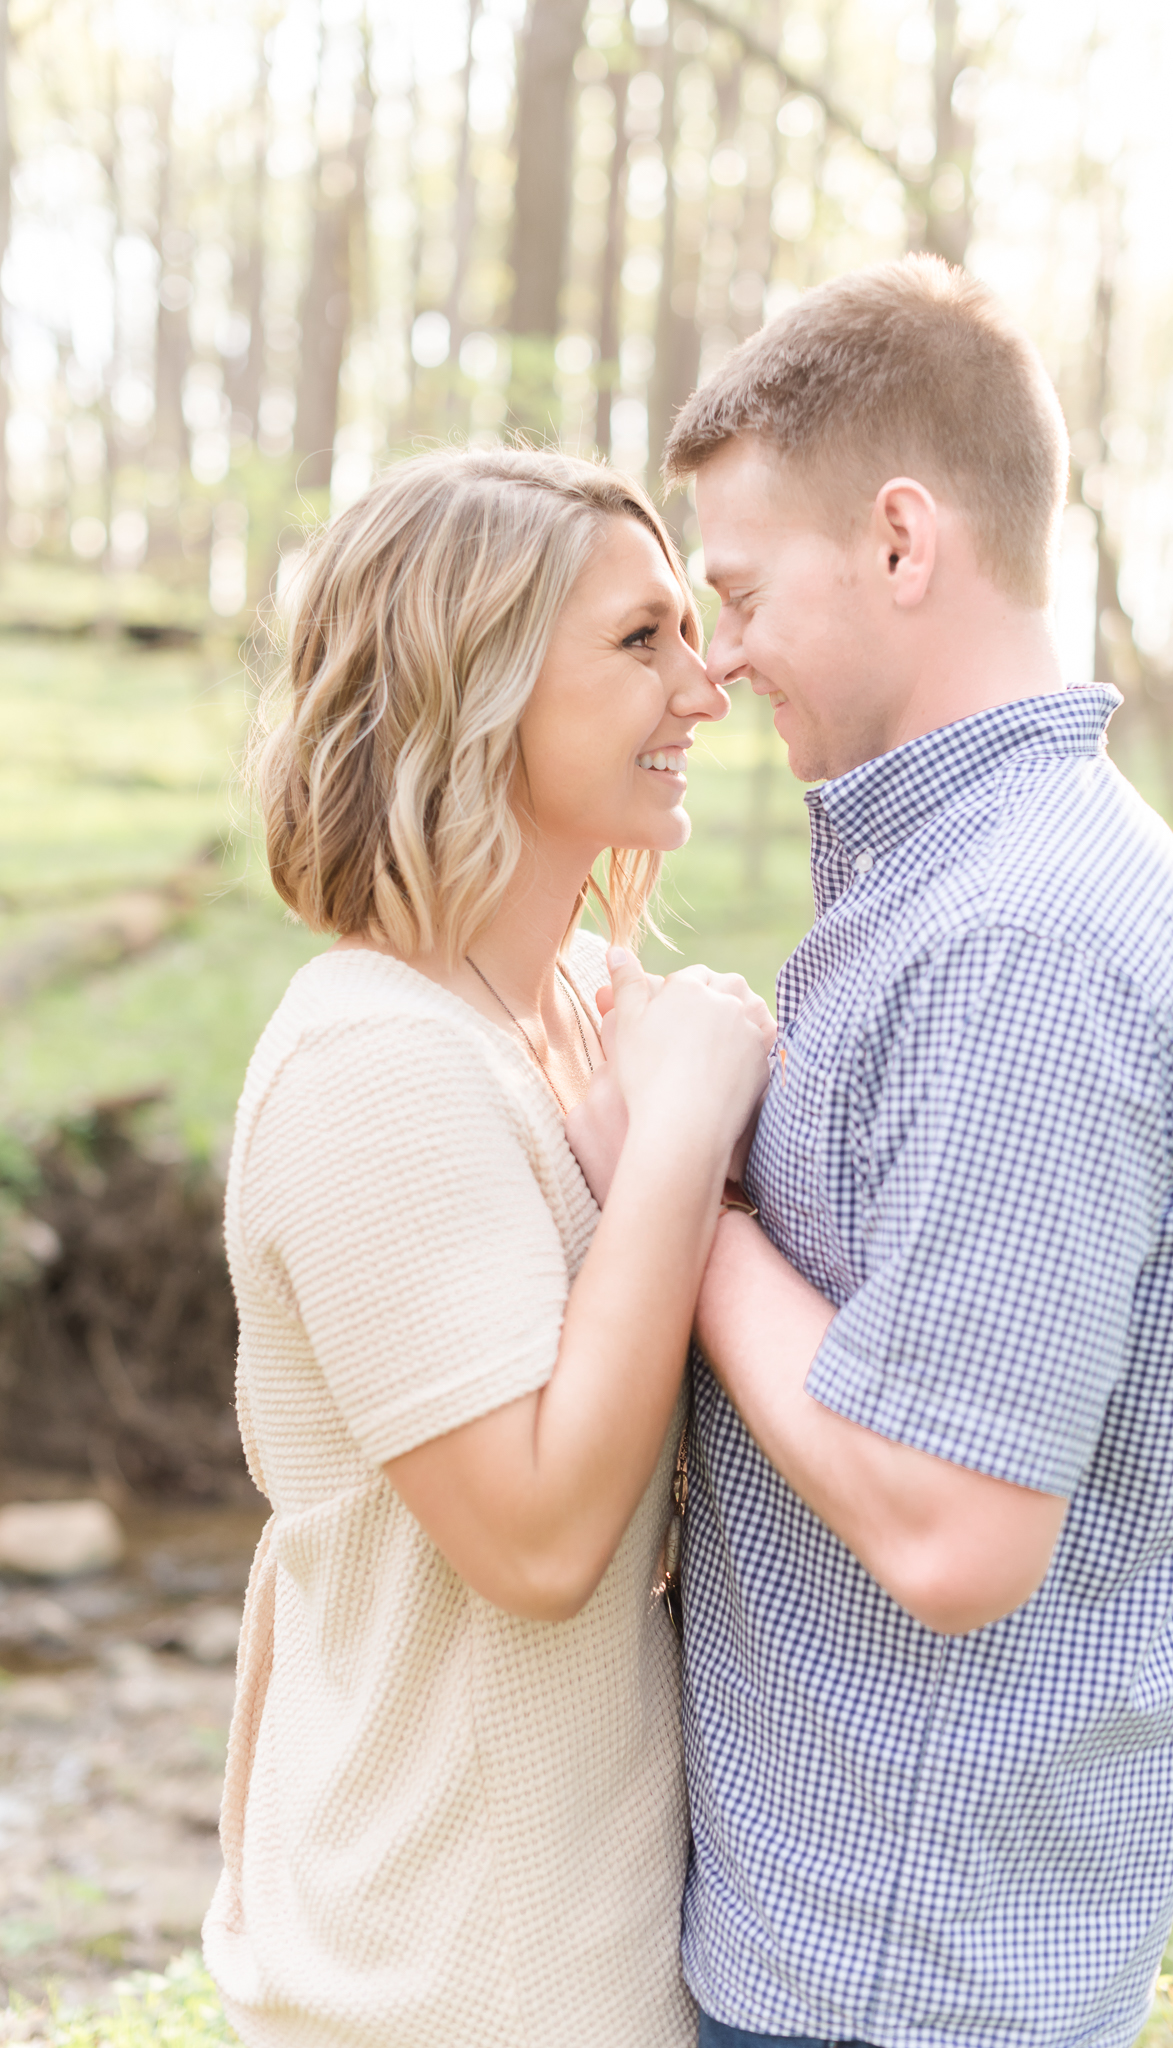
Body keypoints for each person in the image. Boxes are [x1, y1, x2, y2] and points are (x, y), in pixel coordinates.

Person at [577, 256, 1173, 2048]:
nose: (713, 663)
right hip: (857, 1941)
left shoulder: (1026, 941)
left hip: (899, 1980)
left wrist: (690, 1186)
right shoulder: (947, 889)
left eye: (735, 593)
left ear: (900, 541)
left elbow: (960, 1534)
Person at [201, 446, 774, 2048]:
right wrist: (678, 1147)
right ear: (479, 683)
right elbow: (531, 1544)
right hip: (443, 1983)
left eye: (691, 629)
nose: (706, 685)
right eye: (640, 641)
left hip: (587, 1954)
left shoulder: (582, 1009)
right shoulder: (373, 1068)